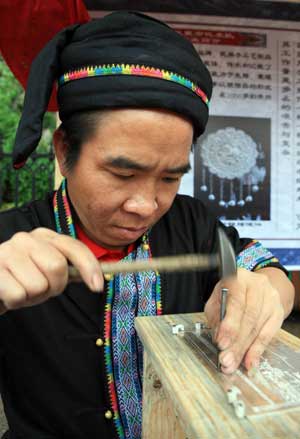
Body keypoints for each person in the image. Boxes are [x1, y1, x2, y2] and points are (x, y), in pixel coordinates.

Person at [0, 11, 294, 439]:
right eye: (122, 174)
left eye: (171, 177)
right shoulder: (11, 241)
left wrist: (264, 291)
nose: (145, 205)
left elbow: (270, 272)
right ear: (64, 152)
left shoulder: (192, 222)